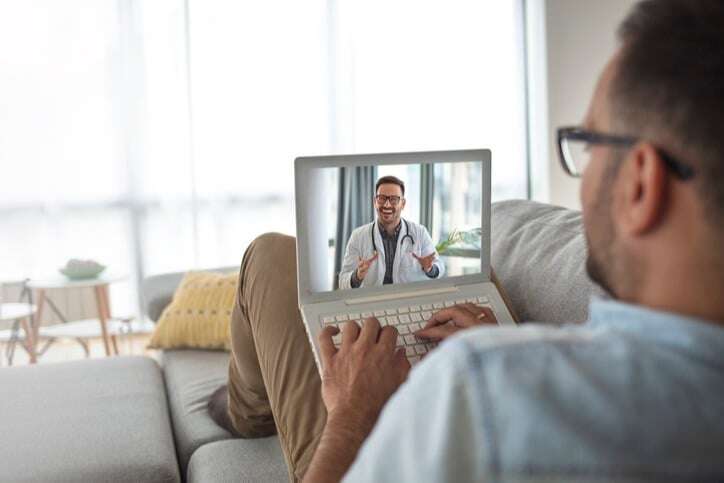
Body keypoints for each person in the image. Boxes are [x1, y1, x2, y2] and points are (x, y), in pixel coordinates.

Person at [211, 1, 724, 481]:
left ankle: (249, 407)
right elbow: (348, 277)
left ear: (640, 183)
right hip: (402, 329)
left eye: (588, 145)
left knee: (269, 256)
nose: (583, 182)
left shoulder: (478, 384)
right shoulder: (366, 243)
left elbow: (432, 274)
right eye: (381, 201)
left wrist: (351, 414)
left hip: (382, 381)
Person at [338, 175, 445, 289]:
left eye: (393, 199)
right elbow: (342, 281)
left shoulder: (419, 233)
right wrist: (357, 276)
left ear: (403, 204)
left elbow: (440, 268)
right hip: (372, 302)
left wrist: (429, 269)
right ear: (375, 202)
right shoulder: (358, 236)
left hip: (408, 300)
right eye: (382, 198)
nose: (387, 205)